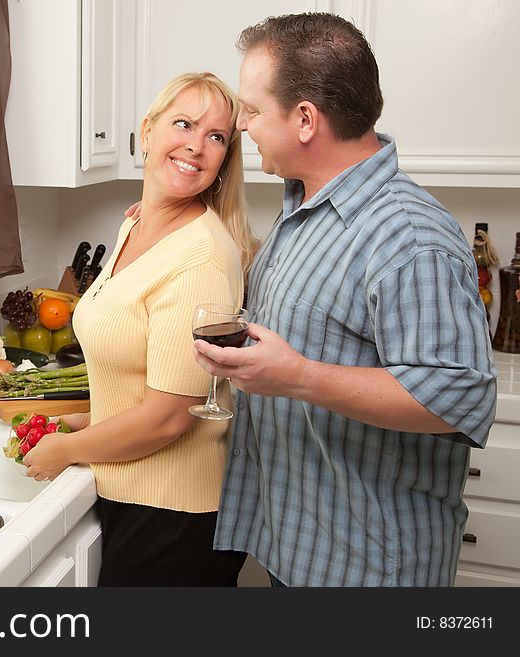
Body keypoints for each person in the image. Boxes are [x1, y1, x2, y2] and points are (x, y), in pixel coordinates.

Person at [193, 13, 497, 587]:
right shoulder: (301, 210)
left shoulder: (408, 235)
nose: (242, 128)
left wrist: (298, 376)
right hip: (303, 550)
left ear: (305, 119)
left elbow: (457, 395)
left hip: (370, 570)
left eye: (252, 111)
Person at [22, 72, 256, 586]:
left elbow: (168, 418)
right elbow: (140, 377)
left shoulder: (200, 260)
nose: (196, 144)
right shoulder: (136, 225)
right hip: (135, 496)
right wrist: (81, 424)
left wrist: (64, 450)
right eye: (184, 124)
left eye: (216, 137)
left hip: (172, 517)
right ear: (147, 132)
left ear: (223, 160)